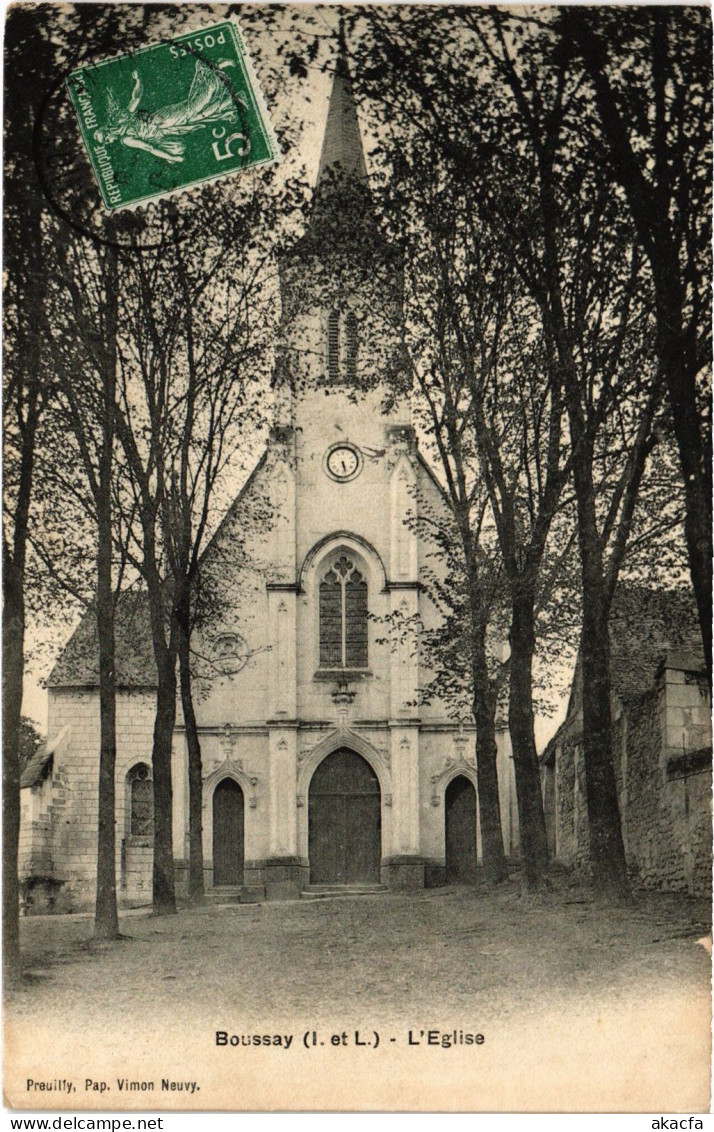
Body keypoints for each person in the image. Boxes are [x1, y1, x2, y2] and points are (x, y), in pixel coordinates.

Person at [94, 57, 246, 164]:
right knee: (199, 116)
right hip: (166, 130)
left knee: (193, 107)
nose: (110, 142)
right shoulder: (124, 133)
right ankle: (233, 100)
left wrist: (138, 81)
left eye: (106, 139)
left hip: (162, 119)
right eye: (107, 142)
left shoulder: (126, 135)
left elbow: (149, 146)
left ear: (108, 131)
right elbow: (152, 145)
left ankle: (208, 69)